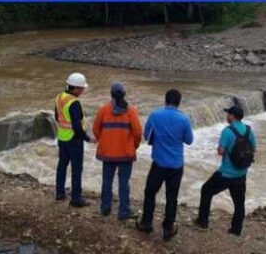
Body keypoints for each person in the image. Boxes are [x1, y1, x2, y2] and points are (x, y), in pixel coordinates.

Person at [137, 89, 194, 241]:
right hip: (176, 165)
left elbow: (146, 135)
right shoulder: (184, 119)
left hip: (159, 163)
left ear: (165, 100)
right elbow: (189, 140)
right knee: (172, 196)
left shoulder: (155, 115)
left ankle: (146, 223)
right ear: (179, 102)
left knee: (150, 192)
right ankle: (168, 229)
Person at [194, 105, 257, 236]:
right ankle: (236, 230)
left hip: (226, 173)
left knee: (206, 190)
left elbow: (221, 151)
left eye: (228, 114)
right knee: (239, 203)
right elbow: (254, 149)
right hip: (241, 173)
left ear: (233, 116)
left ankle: (202, 221)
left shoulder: (227, 131)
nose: (227, 116)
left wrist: (224, 149)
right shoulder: (249, 130)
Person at [92, 82, 142, 219]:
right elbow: (138, 133)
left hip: (107, 153)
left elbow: (96, 130)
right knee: (124, 182)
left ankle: (105, 208)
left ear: (111, 94)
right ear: (124, 94)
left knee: (107, 181)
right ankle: (124, 211)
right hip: (126, 153)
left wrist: (104, 141)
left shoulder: (103, 110)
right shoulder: (131, 111)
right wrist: (134, 146)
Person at [55, 72, 94, 208]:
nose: (83, 90)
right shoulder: (74, 103)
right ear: (76, 88)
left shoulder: (60, 97)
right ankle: (76, 198)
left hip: (62, 137)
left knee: (62, 166)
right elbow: (77, 126)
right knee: (76, 169)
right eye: (82, 88)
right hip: (74, 140)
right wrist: (87, 138)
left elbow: (57, 116)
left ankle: (59, 193)